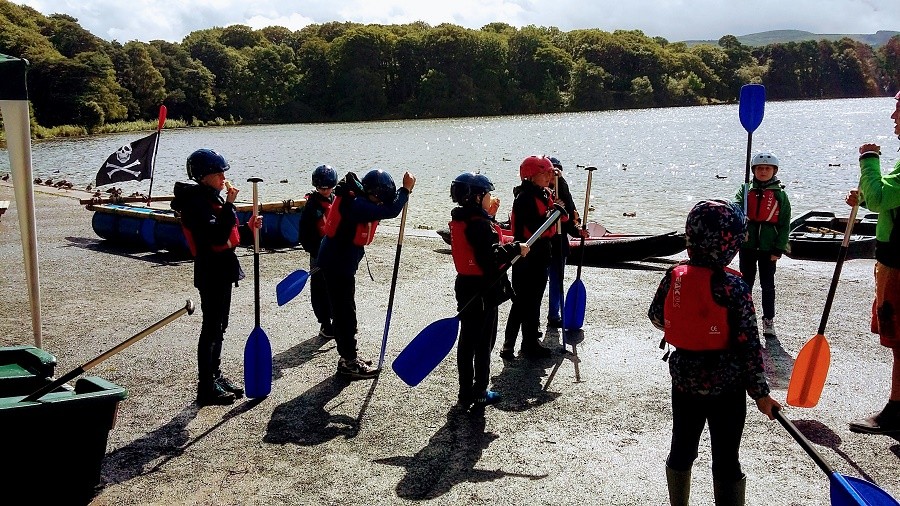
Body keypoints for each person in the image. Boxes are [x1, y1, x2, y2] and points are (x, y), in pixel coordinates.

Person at [648, 199, 779, 506]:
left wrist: (688, 324)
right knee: (726, 458)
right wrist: (761, 394)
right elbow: (748, 346)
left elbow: (656, 316)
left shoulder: (674, 275)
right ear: (730, 243)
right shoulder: (735, 286)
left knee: (681, 449)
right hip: (727, 389)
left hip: (684, 381)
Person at [171, 148, 263, 406]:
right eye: (217, 172)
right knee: (211, 329)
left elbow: (229, 233)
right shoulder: (195, 204)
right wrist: (232, 205)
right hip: (211, 271)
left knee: (220, 327)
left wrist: (247, 227)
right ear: (203, 176)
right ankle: (206, 386)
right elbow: (215, 236)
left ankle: (216, 376)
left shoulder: (212, 198)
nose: (223, 176)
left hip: (223, 269)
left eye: (223, 172)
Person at [318, 168, 416, 380]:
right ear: (373, 193)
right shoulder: (356, 204)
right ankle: (348, 362)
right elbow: (392, 210)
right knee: (344, 314)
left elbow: (387, 206)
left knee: (346, 311)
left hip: (339, 263)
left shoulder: (359, 198)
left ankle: (349, 357)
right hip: (336, 265)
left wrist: (402, 191)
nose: (379, 204)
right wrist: (405, 190)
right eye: (379, 200)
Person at [845, 90, 900, 436]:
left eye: (899, 110)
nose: (894, 118)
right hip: (894, 261)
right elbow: (885, 203)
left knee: (899, 341)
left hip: (898, 266)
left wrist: (867, 159)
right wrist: (865, 197)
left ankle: (896, 412)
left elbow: (882, 197)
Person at [449, 172, 528, 410]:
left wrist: (489, 216)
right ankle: (479, 391)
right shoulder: (478, 224)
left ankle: (465, 393)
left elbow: (482, 244)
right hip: (481, 291)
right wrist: (516, 248)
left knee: (468, 341)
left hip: (466, 286)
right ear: (476, 197)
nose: (490, 197)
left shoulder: (465, 217)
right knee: (483, 343)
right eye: (487, 194)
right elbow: (490, 257)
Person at [502, 155, 568, 359]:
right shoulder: (524, 198)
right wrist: (553, 214)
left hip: (541, 254)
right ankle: (508, 345)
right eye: (545, 173)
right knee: (522, 301)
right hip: (526, 254)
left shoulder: (543, 193)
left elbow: (560, 216)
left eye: (550, 172)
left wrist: (558, 210)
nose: (549, 176)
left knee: (535, 300)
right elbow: (535, 227)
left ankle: (530, 341)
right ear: (530, 176)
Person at [734, 153, 791, 338]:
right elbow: (735, 211)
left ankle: (768, 320)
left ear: (774, 171)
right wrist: (742, 228)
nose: (763, 171)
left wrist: (778, 249)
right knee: (745, 284)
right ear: (754, 171)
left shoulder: (780, 195)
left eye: (767, 168)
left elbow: (784, 225)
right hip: (748, 246)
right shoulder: (744, 191)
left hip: (769, 249)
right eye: (759, 168)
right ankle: (744, 318)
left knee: (768, 285)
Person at [298, 164, 338, 339]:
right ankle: (325, 323)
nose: (325, 191)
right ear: (316, 187)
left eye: (328, 188)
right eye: (321, 188)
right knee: (320, 289)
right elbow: (304, 235)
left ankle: (337, 320)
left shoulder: (336, 200)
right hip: (318, 254)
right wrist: (316, 252)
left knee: (337, 289)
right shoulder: (311, 207)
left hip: (336, 253)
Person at [546, 156, 584, 328]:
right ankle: (538, 321)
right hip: (542, 246)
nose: (554, 174)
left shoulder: (563, 191)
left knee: (556, 281)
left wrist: (578, 231)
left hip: (559, 245)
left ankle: (554, 315)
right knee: (539, 285)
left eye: (557, 171)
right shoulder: (538, 193)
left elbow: (570, 216)